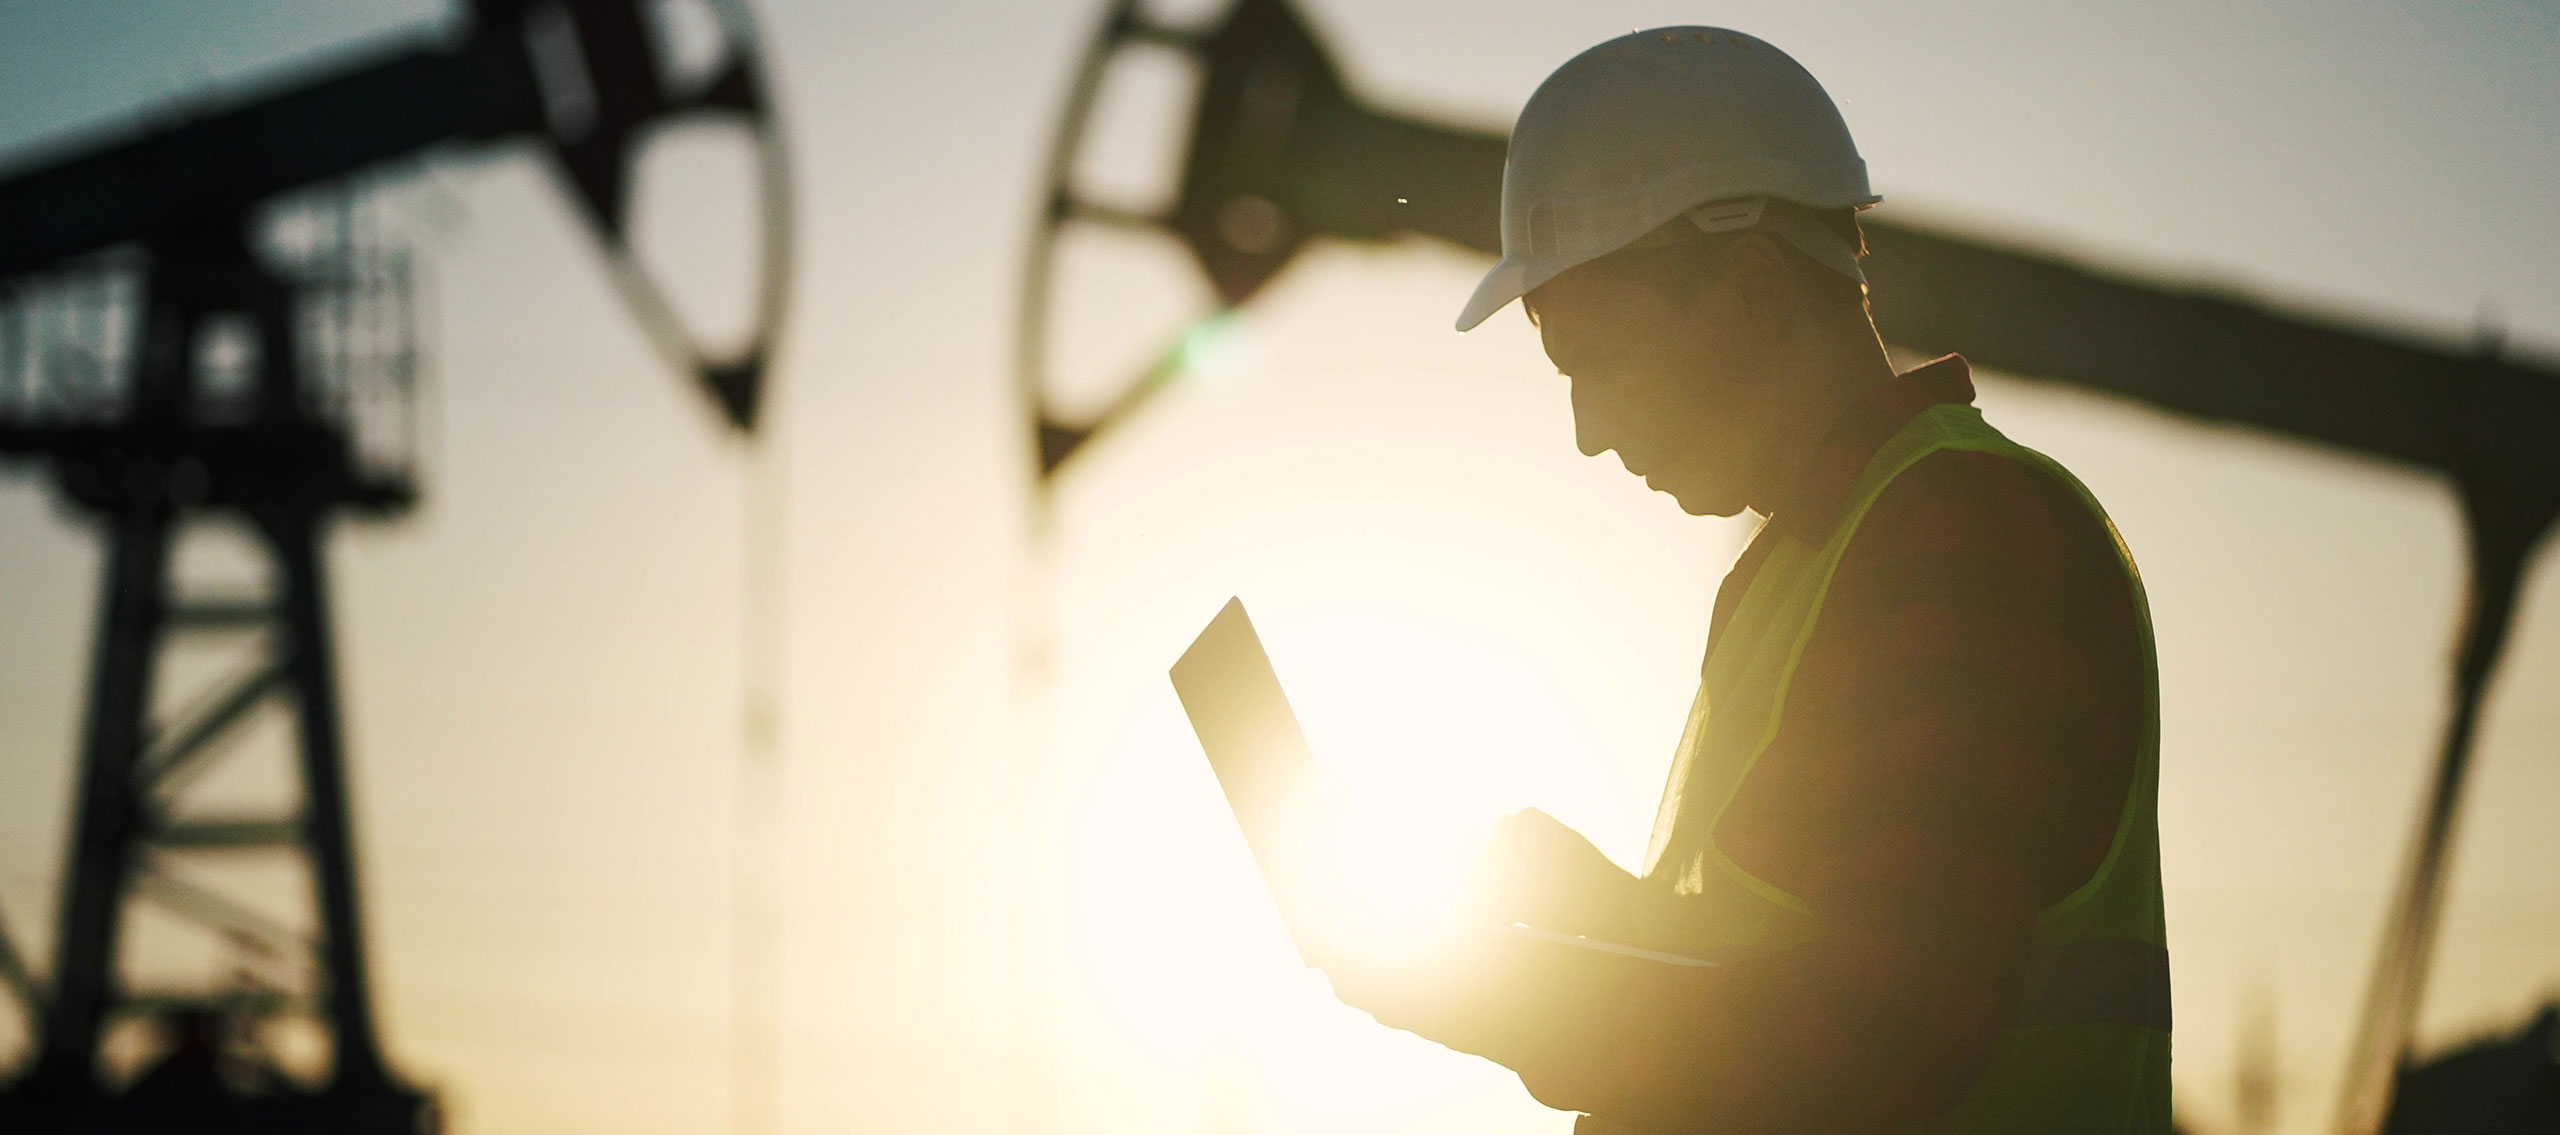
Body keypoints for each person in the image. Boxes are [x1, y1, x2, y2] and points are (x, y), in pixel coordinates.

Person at [1322, 27, 2171, 1134]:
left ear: (1754, 286)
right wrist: (1599, 919)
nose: (1583, 431)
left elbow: (1881, 1036)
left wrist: (1502, 989)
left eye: (1601, 360)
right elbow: (1791, 964)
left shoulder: (1964, 536)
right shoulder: (1816, 563)